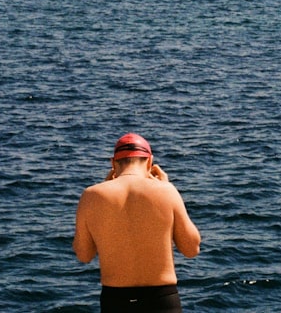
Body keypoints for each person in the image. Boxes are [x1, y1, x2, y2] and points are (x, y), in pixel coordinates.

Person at [74, 133, 201, 312]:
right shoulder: (166, 191)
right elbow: (191, 249)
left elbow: (84, 255)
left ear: (113, 163)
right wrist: (168, 188)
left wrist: (100, 197)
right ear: (150, 162)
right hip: (162, 301)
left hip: (115, 302)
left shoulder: (91, 195)